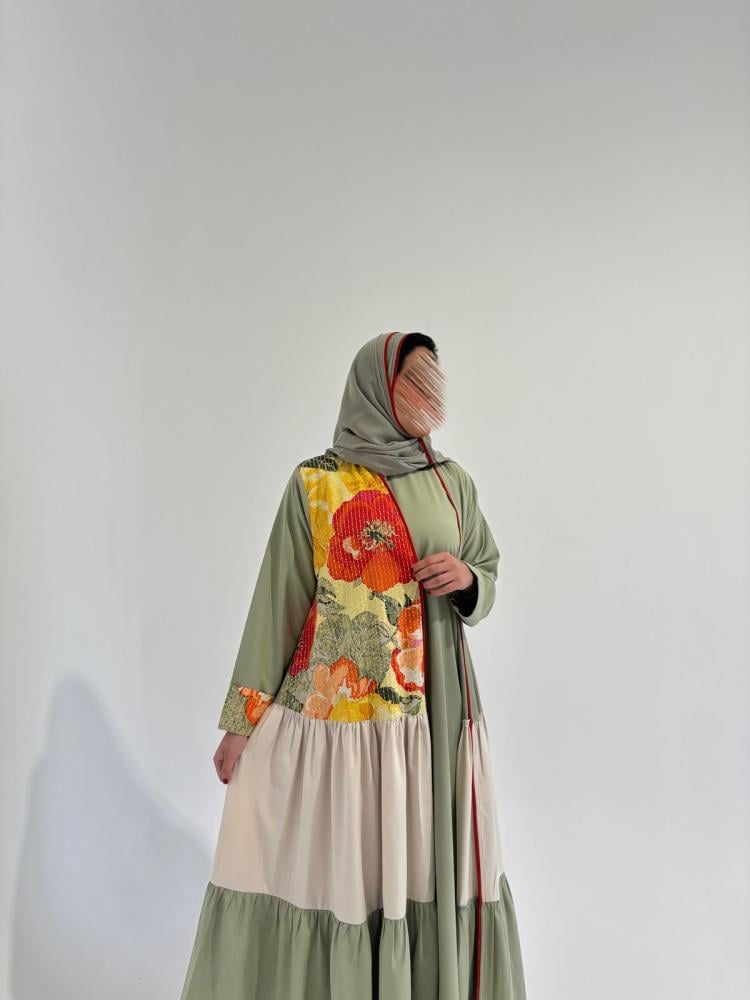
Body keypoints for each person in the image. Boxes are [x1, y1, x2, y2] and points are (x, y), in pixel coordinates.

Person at [180, 331, 527, 1000]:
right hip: (340, 723)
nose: (431, 399)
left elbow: (486, 567)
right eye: (415, 385)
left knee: (422, 872)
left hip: (434, 719)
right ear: (376, 389)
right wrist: (241, 724)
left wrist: (467, 579)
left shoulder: (452, 480)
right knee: (347, 880)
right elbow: (278, 604)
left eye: (434, 385)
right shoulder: (317, 482)